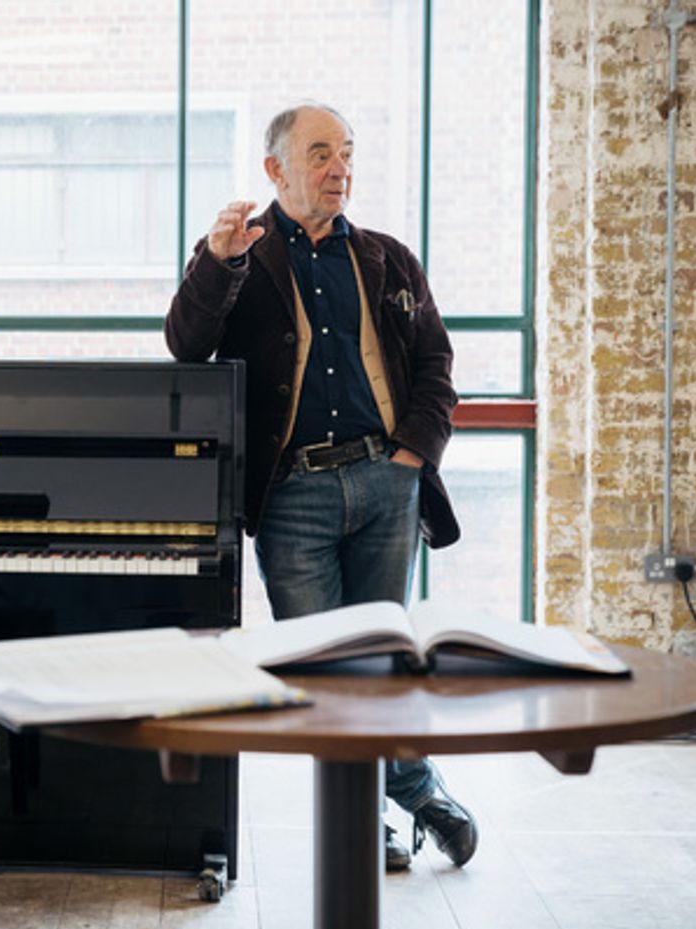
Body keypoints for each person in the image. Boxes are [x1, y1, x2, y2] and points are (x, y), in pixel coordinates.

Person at [164, 103, 478, 872]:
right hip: (292, 496)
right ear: (275, 169)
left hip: (386, 480)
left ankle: (401, 793)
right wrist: (217, 261)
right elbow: (185, 345)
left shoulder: (387, 257)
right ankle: (390, 797)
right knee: (323, 665)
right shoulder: (239, 256)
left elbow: (436, 363)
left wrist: (414, 452)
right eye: (319, 155)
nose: (340, 169)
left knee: (382, 651)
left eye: (346, 154)